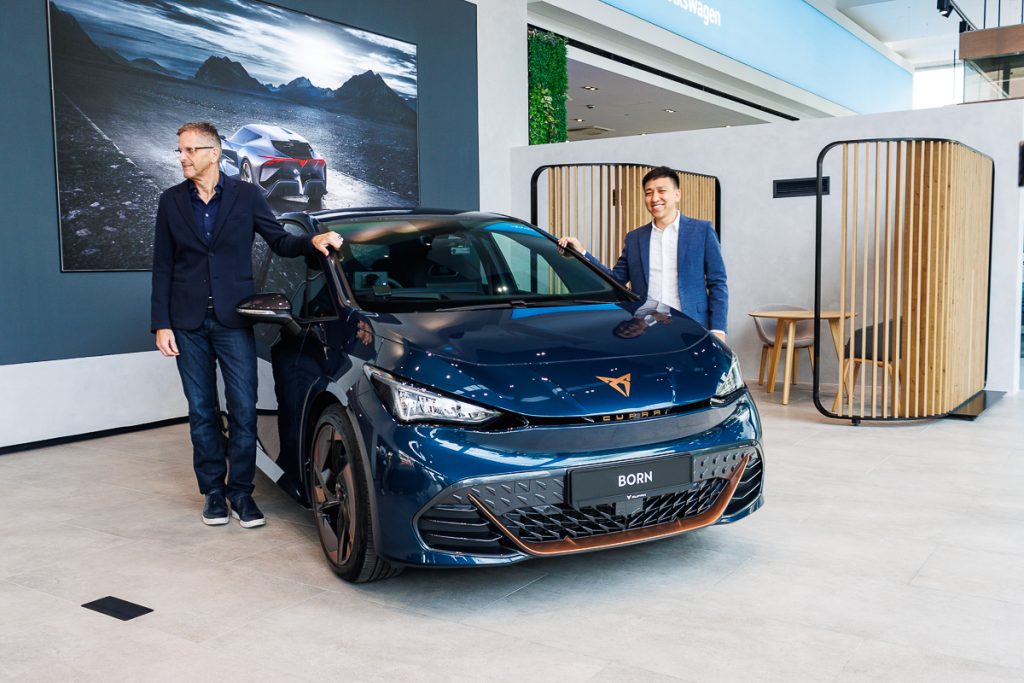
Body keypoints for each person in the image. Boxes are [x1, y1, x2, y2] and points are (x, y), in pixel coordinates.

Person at [151, 121, 342, 528]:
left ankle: (241, 492)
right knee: (202, 410)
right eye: (180, 150)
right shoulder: (171, 201)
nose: (182, 157)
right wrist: (161, 324)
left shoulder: (247, 195)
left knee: (243, 409)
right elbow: (163, 266)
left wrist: (312, 242)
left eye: (190, 150)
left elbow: (279, 241)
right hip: (186, 322)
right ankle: (213, 492)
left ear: (214, 153)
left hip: (232, 320)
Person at [558, 166, 728, 341]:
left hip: (693, 324)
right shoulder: (635, 238)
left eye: (661, 191)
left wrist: (718, 329)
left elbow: (717, 283)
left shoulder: (702, 230)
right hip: (647, 329)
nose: (654, 198)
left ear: (677, 194)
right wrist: (582, 252)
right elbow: (615, 280)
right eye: (648, 193)